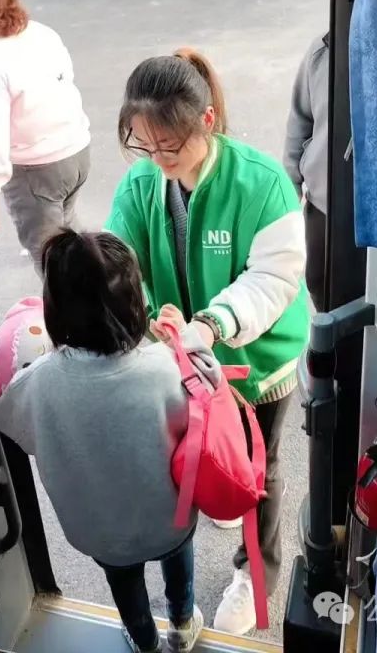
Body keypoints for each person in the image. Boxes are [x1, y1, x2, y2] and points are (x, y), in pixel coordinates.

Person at [105, 49, 309, 635]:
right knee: (203, 455)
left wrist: (213, 325)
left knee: (258, 471)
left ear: (208, 123)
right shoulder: (143, 180)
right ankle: (227, 499)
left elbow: (271, 279)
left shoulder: (262, 183)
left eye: (169, 146)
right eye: (144, 144)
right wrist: (146, 315)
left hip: (253, 360)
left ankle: (256, 573)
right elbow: (122, 262)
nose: (157, 159)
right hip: (181, 360)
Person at [0, 229, 208, 653]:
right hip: (171, 518)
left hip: (101, 531)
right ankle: (182, 624)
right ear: (135, 307)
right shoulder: (166, 368)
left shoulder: (37, 383)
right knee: (178, 564)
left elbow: (19, 430)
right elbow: (194, 421)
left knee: (125, 585)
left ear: (53, 313)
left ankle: (145, 640)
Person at [0, 0, 91, 270]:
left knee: (53, 264)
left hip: (38, 172)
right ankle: (101, 293)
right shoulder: (43, 33)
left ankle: (77, 313)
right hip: (76, 154)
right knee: (73, 243)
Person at [283, 32, 330, 311]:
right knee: (318, 283)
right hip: (322, 205)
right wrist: (290, 189)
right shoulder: (323, 50)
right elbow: (301, 120)